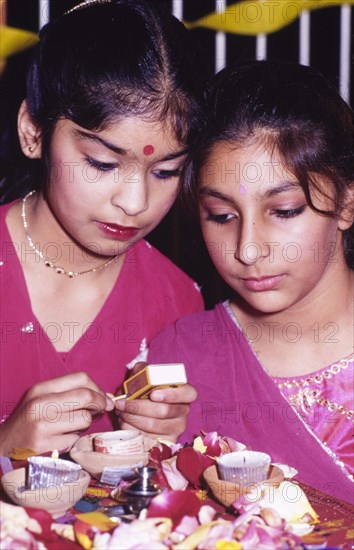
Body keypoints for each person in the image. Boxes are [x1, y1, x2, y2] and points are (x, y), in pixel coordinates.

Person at [0, 0, 210, 456]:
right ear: (33, 131)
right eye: (102, 163)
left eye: (166, 172)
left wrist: (165, 446)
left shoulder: (178, 304)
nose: (134, 204)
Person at [147, 61, 354, 503]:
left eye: (284, 211)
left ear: (346, 204)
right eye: (221, 217)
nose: (248, 249)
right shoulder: (179, 361)